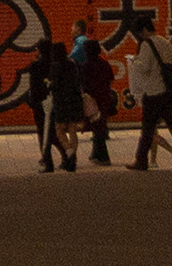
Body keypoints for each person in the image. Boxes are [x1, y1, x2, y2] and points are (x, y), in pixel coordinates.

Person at [126, 14, 172, 170]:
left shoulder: (147, 44)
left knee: (147, 129)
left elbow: (145, 67)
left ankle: (141, 160)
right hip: (167, 91)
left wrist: (134, 60)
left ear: (142, 30)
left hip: (153, 92)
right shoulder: (165, 42)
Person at [32, 41, 83, 172]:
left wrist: (49, 84)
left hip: (59, 102)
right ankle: (72, 158)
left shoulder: (52, 66)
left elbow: (52, 85)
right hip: (74, 100)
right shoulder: (72, 64)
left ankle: (69, 154)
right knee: (72, 130)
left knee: (58, 130)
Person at [70, 22, 117, 165]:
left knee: (97, 127)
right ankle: (96, 154)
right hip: (104, 97)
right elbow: (110, 78)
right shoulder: (104, 64)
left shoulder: (86, 66)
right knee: (99, 126)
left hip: (92, 100)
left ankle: (103, 157)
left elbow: (83, 83)